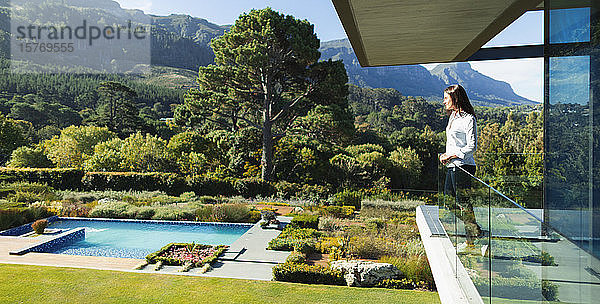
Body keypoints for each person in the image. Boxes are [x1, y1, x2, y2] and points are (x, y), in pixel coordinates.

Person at [439, 84, 482, 246]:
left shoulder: (468, 119)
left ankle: (471, 240)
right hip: (452, 165)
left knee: (464, 203)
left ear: (455, 98)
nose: (443, 102)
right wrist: (445, 154)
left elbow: (472, 146)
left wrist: (452, 155)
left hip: (464, 166)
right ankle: (474, 229)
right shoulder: (453, 117)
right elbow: (453, 143)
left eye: (446, 98)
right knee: (449, 203)